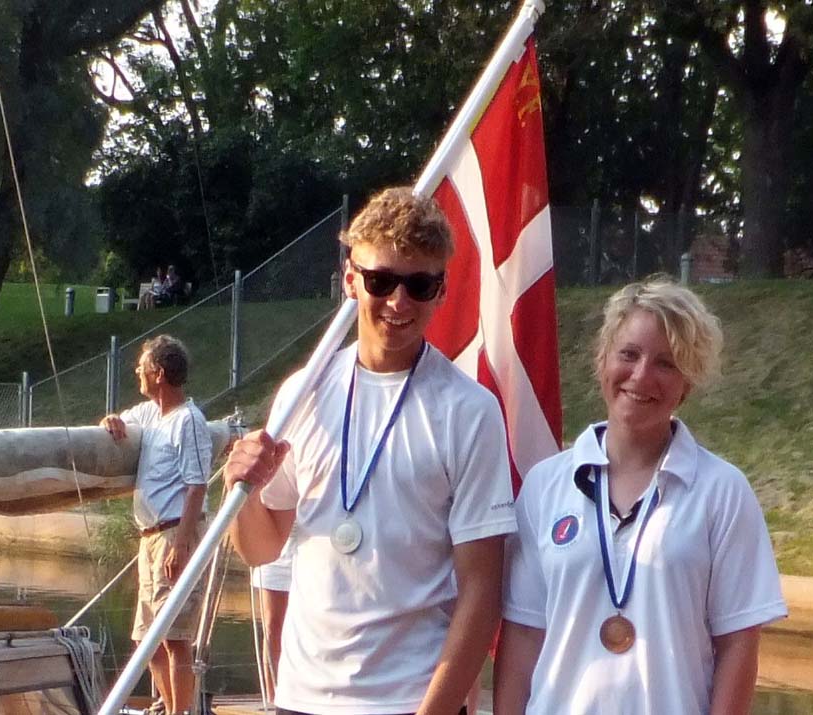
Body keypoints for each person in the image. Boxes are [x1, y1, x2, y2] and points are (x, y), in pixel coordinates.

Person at [222, 186, 515, 715]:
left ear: (441, 291)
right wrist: (241, 491)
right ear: (351, 279)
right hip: (302, 697)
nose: (399, 302)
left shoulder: (469, 411)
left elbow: (483, 589)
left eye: (419, 285)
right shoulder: (302, 393)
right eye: (381, 280)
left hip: (408, 699)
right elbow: (262, 549)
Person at [493, 277, 787, 715]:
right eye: (628, 354)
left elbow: (738, 647)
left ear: (687, 383)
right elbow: (523, 637)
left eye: (666, 363)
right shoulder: (544, 487)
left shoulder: (722, 491)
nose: (641, 375)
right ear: (602, 361)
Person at [100, 334, 212, 715]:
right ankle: (167, 705)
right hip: (149, 536)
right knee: (147, 638)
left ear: (159, 374)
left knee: (174, 637)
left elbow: (197, 484)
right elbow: (122, 422)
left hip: (173, 531)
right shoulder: (151, 414)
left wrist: (182, 545)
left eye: (141, 368)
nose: (137, 372)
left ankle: (181, 711)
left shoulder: (188, 420)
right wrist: (112, 420)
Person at [250, 526, 299, 703]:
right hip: (274, 554)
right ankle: (272, 696)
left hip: (309, 551)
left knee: (306, 626)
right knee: (272, 625)